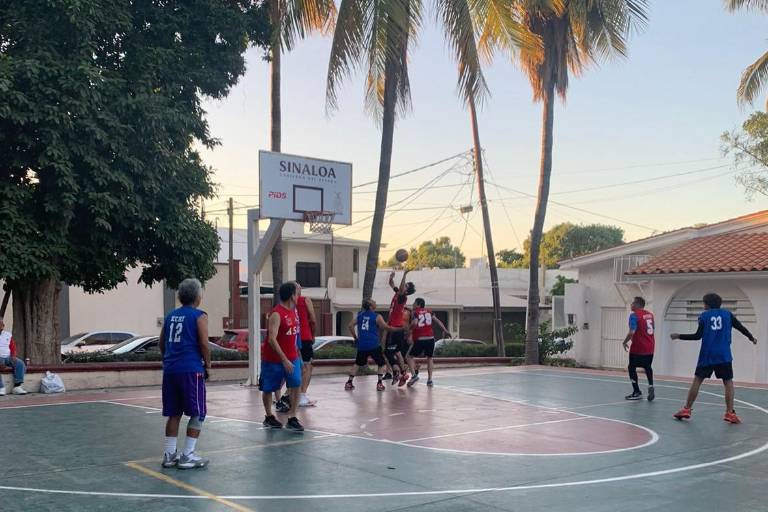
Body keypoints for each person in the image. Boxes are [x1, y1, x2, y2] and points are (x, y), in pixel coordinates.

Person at [671, 293, 757, 424]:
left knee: (697, 380)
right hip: (724, 355)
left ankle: (687, 409)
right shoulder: (728, 314)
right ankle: (729, 412)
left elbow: (697, 336)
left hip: (707, 354)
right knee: (728, 382)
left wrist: (679, 336)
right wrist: (751, 337)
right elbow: (741, 328)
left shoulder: (704, 316)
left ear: (707, 304)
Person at [159, 278, 210, 470]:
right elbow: (204, 343)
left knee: (174, 413)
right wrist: (208, 365)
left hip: (170, 370)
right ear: (197, 296)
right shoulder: (199, 316)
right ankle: (187, 455)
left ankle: (169, 455)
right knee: (198, 413)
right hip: (191, 370)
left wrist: (168, 359)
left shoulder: (170, 316)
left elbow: (161, 343)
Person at [260, 282, 304, 432]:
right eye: (297, 293)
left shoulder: (293, 312)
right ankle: (269, 416)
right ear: (292, 295)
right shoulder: (277, 314)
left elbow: (293, 337)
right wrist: (284, 359)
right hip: (273, 360)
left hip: (292, 357)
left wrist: (297, 354)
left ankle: (292, 417)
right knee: (268, 388)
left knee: (296, 384)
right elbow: (272, 339)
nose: (299, 296)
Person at [346, 299, 398, 391]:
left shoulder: (360, 315)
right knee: (381, 363)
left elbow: (350, 325)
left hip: (362, 345)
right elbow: (386, 327)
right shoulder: (376, 316)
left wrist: (355, 338)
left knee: (357, 363)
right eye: (373, 302)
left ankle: (349, 383)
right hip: (373, 344)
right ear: (370, 306)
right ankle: (379, 383)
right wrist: (399, 329)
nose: (375, 302)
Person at [407, 298, 450, 388]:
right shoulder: (429, 311)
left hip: (420, 338)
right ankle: (430, 380)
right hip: (430, 338)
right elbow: (437, 321)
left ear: (418, 304)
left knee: (409, 356)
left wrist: (409, 331)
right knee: (429, 358)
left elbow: (414, 323)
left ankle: (414, 376)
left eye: (414, 303)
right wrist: (445, 330)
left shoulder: (415, 312)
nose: (413, 304)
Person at [385, 270, 415, 386]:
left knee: (388, 352)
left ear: (406, 291)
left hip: (395, 329)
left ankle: (396, 373)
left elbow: (401, 288)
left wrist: (404, 275)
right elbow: (391, 284)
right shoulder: (398, 293)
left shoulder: (402, 298)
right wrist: (391, 277)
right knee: (397, 352)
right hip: (396, 328)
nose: (403, 286)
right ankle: (403, 374)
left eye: (406, 286)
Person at [622, 297, 656, 401]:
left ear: (637, 304)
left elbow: (632, 331)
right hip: (650, 346)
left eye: (632, 303)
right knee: (647, 367)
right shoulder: (650, 315)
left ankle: (636, 392)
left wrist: (625, 342)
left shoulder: (634, 315)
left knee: (631, 367)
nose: (631, 304)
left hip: (638, 348)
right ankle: (650, 385)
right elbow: (651, 329)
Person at [295, 282, 318, 407]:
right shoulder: (305, 300)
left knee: (294, 366)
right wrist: (313, 335)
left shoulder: (285, 303)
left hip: (291, 338)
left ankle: (287, 395)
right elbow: (313, 320)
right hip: (304, 337)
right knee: (307, 366)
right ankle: (302, 395)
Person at [0, 319, 27, 395]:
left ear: (3, 326)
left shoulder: (7, 335)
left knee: (20, 363)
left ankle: (17, 386)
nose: (1, 326)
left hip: (8, 357)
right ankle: (1, 387)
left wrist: (13, 355)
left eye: (2, 325)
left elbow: (13, 347)